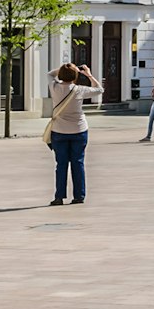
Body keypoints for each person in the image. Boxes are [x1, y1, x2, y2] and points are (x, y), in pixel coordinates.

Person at [46, 62, 103, 206]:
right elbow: (99, 89)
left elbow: (49, 74)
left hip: (59, 131)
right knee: (78, 163)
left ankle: (59, 197)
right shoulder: (80, 90)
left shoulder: (54, 87)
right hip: (79, 131)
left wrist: (65, 69)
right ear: (76, 76)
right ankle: (79, 196)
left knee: (61, 164)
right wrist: (88, 74)